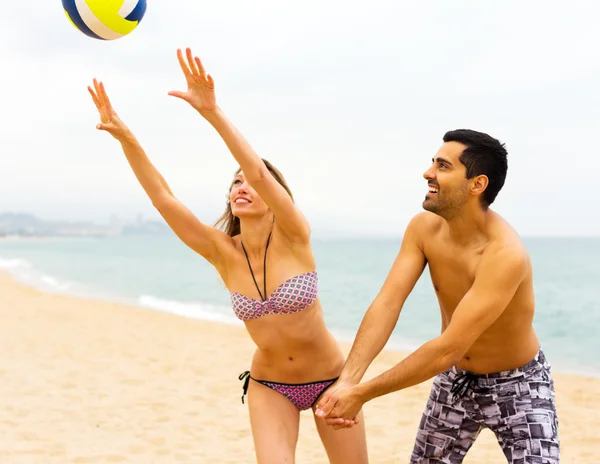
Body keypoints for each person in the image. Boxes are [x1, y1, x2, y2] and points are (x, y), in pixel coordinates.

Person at [86, 47, 368, 464]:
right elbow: (164, 198)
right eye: (234, 182)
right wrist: (127, 139)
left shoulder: (295, 234)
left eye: (251, 182)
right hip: (270, 385)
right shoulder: (221, 251)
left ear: (276, 197)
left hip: (332, 381)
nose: (242, 185)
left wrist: (211, 112)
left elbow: (256, 169)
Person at [315, 130, 560, 463]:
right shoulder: (423, 228)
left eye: (443, 166)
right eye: (433, 163)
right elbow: (388, 303)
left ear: (477, 184)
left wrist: (361, 394)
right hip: (457, 380)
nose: (428, 173)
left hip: (518, 384)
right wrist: (347, 381)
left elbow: (448, 347)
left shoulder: (504, 254)